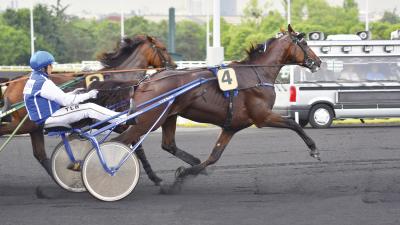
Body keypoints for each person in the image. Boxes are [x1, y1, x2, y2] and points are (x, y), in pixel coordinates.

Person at [23, 51, 128, 128]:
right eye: (50, 65)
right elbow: (65, 101)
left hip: (44, 118)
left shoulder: (34, 79)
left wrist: (73, 93)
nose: (52, 68)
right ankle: (124, 119)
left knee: (86, 107)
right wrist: (89, 95)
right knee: (89, 108)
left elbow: (57, 97)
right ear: (44, 67)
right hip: (49, 118)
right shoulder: (43, 82)